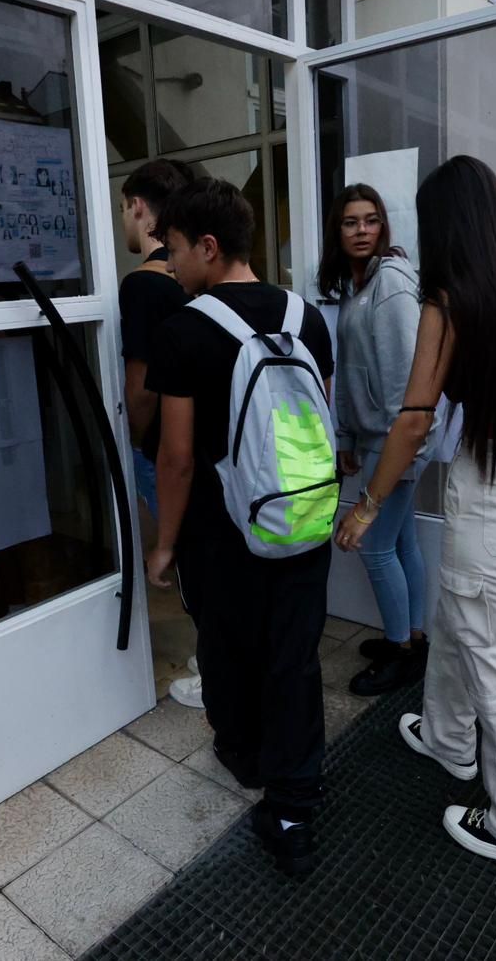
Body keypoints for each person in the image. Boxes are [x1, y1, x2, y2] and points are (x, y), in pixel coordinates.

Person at [335, 156, 496, 876]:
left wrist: (368, 505)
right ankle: (447, 737)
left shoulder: (452, 298)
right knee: (455, 613)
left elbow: (413, 421)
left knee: (494, 667)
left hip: (494, 497)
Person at [145, 178, 336, 874]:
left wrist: (164, 544)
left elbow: (176, 456)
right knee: (293, 653)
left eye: (172, 249)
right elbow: (320, 419)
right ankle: (295, 792)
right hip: (305, 512)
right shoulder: (307, 318)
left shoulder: (183, 331)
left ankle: (247, 755)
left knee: (228, 646)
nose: (168, 263)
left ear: (208, 246)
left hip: (223, 530)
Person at [318, 183, 437, 696]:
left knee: (374, 547)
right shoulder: (358, 284)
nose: (361, 230)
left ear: (383, 226)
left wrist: (398, 453)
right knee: (402, 541)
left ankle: (400, 652)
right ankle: (411, 636)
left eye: (370, 220)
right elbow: (349, 372)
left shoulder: (389, 282)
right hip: (372, 438)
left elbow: (402, 382)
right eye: (350, 222)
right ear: (337, 230)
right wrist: (345, 432)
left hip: (393, 442)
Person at [116, 159, 202, 708]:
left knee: (187, 557)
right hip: (208, 440)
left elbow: (142, 388)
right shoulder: (196, 281)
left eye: (125, 208)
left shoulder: (143, 286)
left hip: (166, 445)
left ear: (140, 208)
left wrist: (136, 436)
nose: (125, 219)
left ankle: (218, 669)